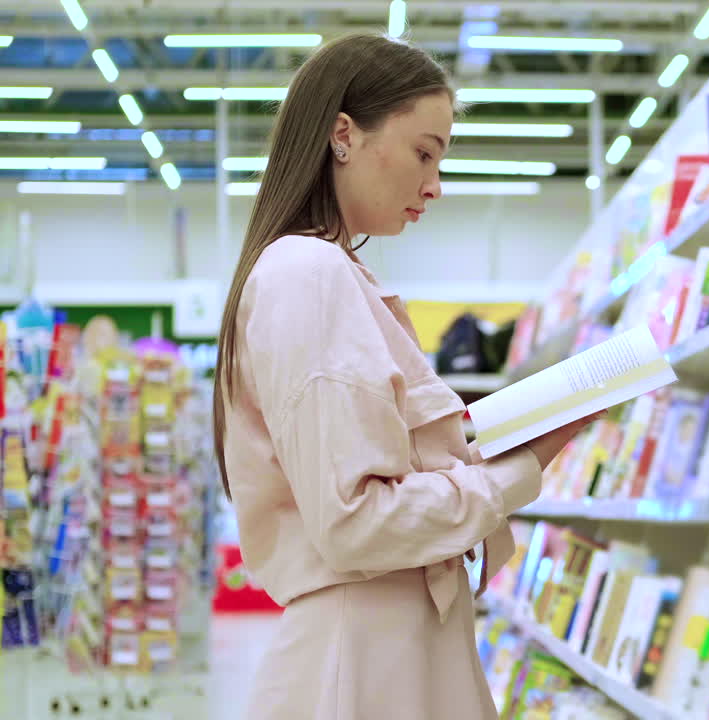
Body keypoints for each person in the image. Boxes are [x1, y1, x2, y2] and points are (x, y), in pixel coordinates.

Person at [212, 34, 598, 720]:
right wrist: (522, 466)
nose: (434, 186)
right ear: (343, 135)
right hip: (365, 658)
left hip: (383, 645)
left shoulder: (332, 275)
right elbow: (356, 522)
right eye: (424, 152)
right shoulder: (309, 274)